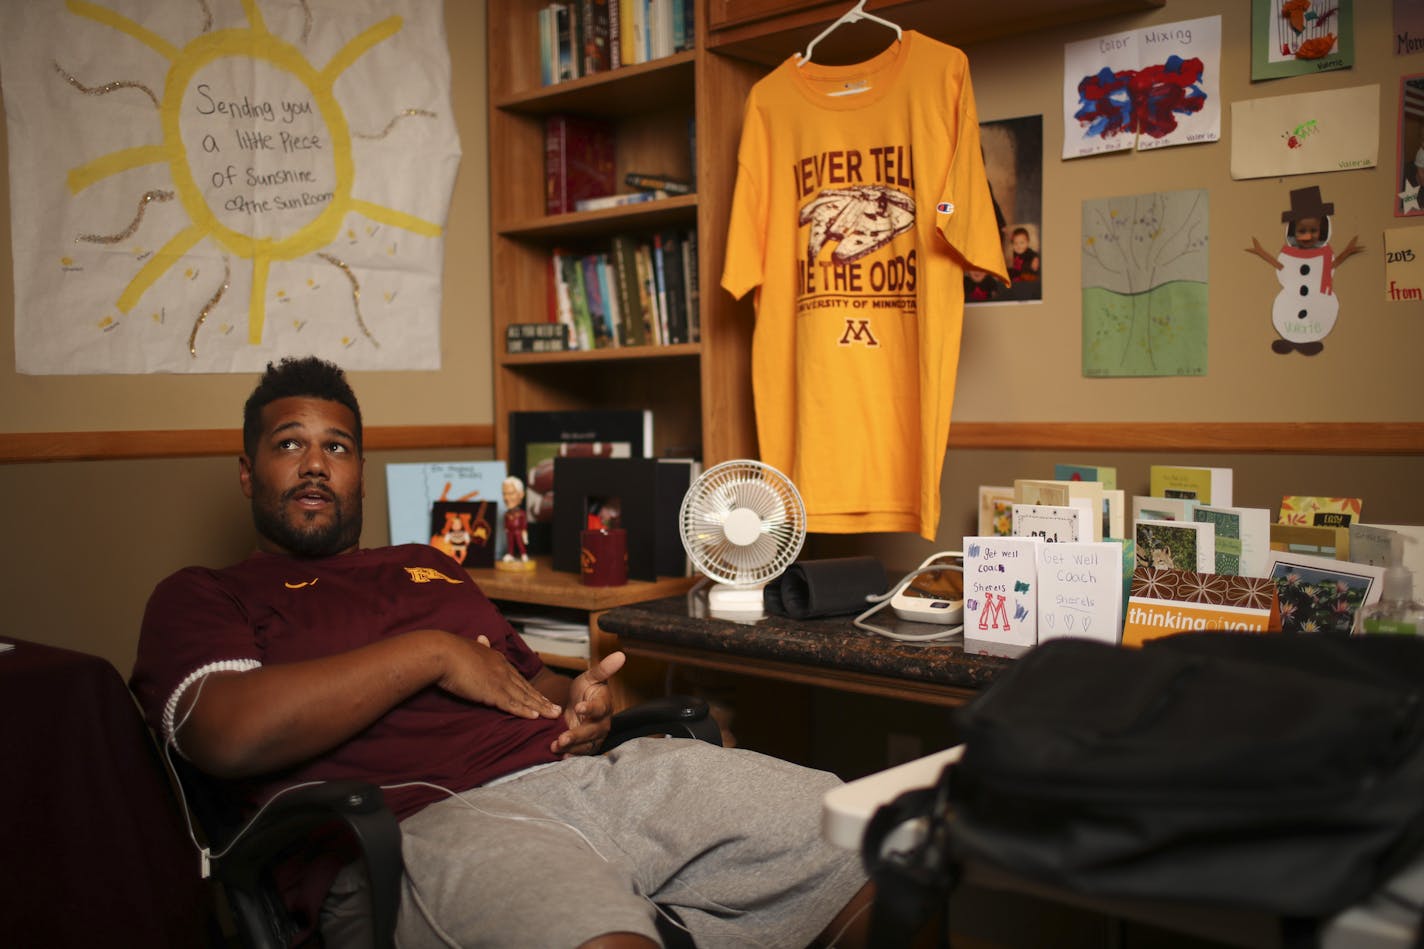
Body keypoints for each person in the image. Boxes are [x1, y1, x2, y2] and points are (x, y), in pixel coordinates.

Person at [130, 356, 872, 949]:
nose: (317, 463)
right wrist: (429, 652)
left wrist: (581, 700)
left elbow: (530, 685)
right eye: (290, 443)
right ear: (247, 471)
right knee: (603, 937)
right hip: (426, 828)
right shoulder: (204, 594)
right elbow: (227, 734)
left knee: (865, 840)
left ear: (359, 469)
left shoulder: (427, 562)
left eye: (338, 446)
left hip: (589, 785)